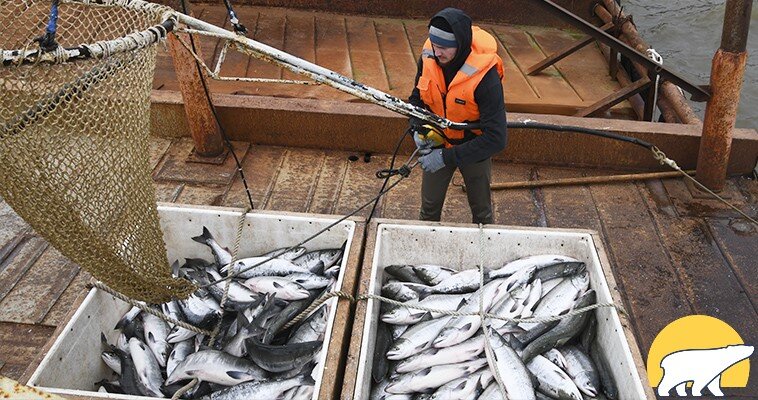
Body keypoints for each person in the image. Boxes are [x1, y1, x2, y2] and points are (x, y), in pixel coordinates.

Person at [409, 7, 507, 225]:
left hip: (474, 147)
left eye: (444, 48)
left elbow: (497, 138)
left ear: (460, 45)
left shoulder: (486, 79)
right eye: (434, 45)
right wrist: (417, 128)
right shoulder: (429, 58)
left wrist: (445, 158)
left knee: (482, 212)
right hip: (438, 143)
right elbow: (416, 99)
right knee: (428, 210)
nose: (437, 53)